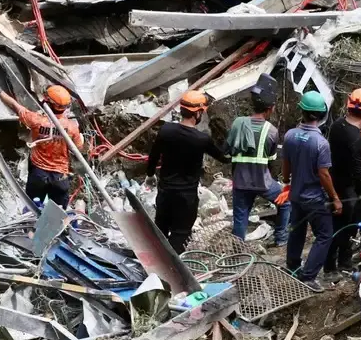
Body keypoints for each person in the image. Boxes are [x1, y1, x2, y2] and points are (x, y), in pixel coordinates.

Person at [146, 90, 228, 254]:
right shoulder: (201, 139)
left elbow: (153, 156)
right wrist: (226, 139)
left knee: (160, 230)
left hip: (165, 193)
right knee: (180, 234)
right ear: (197, 113)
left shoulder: (166, 130)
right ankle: (172, 269)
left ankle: (155, 264)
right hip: (186, 198)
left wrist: (150, 174)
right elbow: (225, 158)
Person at [0, 77, 84, 209]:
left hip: (38, 174)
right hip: (60, 177)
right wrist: (80, 139)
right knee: (57, 216)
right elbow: (78, 149)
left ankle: (30, 229)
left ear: (48, 102)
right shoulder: (72, 127)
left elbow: (15, 106)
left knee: (32, 210)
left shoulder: (37, 121)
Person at [282, 91, 343, 290]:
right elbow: (324, 175)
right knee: (325, 235)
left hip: (296, 195)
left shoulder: (290, 135)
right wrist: (335, 198)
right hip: (315, 198)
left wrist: (286, 180)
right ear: (321, 114)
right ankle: (308, 276)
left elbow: (286, 163)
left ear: (303, 111)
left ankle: (292, 265)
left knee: (297, 230)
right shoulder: (321, 143)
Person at [228, 77, 290, 246]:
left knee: (240, 217)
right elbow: (270, 161)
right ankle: (281, 238)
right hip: (262, 181)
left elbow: (228, 152)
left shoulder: (237, 123)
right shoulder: (271, 131)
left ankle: (238, 250)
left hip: (240, 181)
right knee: (286, 203)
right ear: (270, 109)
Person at [325, 89, 361, 275]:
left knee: (335, 226)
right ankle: (336, 265)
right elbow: (358, 171)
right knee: (347, 227)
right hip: (348, 189)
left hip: (334, 182)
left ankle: (334, 263)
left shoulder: (336, 126)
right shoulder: (357, 139)